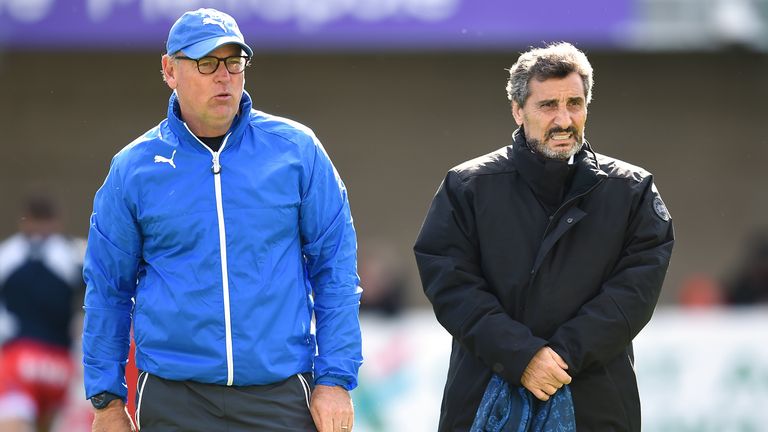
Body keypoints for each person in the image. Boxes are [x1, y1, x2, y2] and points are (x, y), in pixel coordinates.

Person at [82, 8, 361, 432]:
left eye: (234, 62)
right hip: (174, 399)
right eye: (206, 62)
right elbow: (108, 289)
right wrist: (106, 400)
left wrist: (336, 380)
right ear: (169, 71)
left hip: (280, 395)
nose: (224, 76)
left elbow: (335, 270)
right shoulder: (133, 169)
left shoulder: (296, 151)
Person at [414, 42, 674, 431]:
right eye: (548, 105)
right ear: (518, 111)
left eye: (575, 103)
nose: (564, 119)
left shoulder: (632, 191)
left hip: (595, 403)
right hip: (484, 398)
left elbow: (633, 295)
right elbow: (451, 286)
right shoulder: (467, 186)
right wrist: (522, 356)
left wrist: (559, 358)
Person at [0, 196, 85, 432]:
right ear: (57, 221)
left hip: (20, 357)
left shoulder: (6, 254)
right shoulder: (74, 254)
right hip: (58, 361)